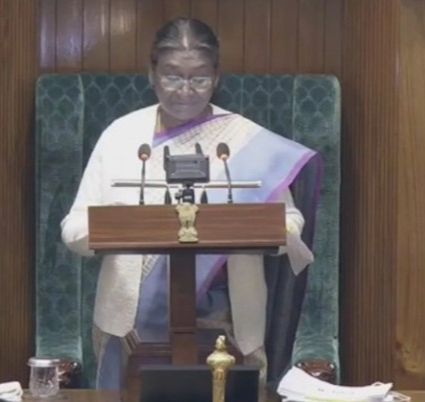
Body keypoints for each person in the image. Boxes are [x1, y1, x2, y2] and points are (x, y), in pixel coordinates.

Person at [60, 17, 322, 391]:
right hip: (133, 324)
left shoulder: (244, 140)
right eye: (172, 76)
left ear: (216, 77)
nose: (185, 90)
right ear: (151, 74)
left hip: (227, 320)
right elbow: (73, 228)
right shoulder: (121, 136)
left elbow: (290, 222)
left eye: (198, 78)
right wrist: (118, 229)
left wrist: (257, 228)